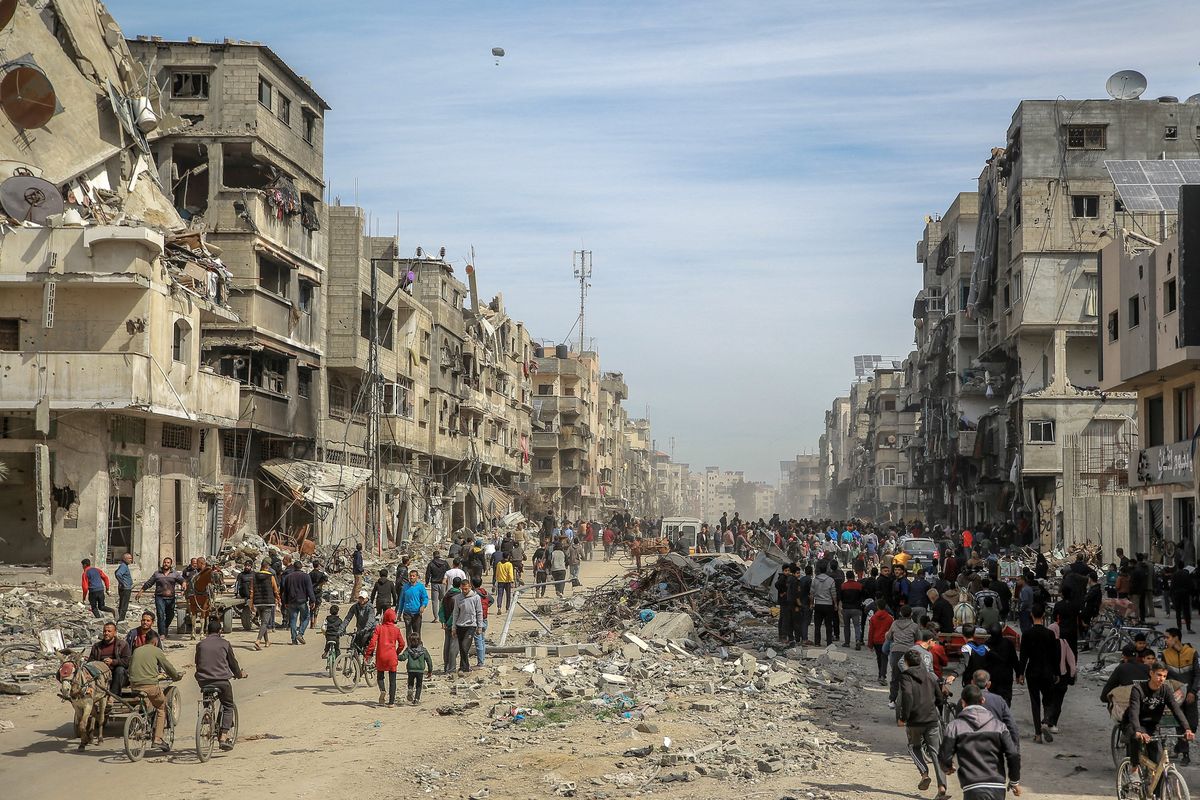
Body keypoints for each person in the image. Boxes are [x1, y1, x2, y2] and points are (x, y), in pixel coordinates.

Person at [939, 683, 1022, 800]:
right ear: (982, 700)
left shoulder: (954, 727)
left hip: (972, 787)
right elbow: (1013, 754)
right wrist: (1014, 781)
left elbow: (945, 754)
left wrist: (947, 767)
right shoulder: (999, 726)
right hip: (997, 787)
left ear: (963, 703)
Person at [1123, 661, 1196, 782]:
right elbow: (1134, 712)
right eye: (1158, 675)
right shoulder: (1138, 689)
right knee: (1136, 738)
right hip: (1134, 723)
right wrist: (1138, 731)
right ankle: (1134, 768)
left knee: (1158, 764)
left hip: (1152, 725)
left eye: (1164, 676)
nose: (1161, 679)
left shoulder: (1165, 690)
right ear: (1151, 673)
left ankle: (1156, 793)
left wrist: (1187, 729)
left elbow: (1176, 709)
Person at [897, 648, 948, 799]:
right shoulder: (931, 676)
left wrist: (904, 717)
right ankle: (942, 787)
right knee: (936, 752)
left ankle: (924, 774)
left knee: (913, 747)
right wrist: (935, 711)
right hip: (932, 719)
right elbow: (939, 699)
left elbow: (907, 695)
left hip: (914, 720)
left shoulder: (906, 676)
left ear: (906, 663)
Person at [194, 617, 245, 748]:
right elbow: (233, 663)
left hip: (204, 681)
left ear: (207, 631)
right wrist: (239, 674)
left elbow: (197, 662)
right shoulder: (225, 643)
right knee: (228, 705)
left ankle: (207, 712)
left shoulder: (200, 644)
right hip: (221, 680)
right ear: (220, 631)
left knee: (207, 693)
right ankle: (223, 736)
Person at [127, 629, 182, 749]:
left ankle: (144, 722)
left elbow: (130, 667)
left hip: (134, 685)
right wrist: (176, 676)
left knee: (148, 702)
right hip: (150, 686)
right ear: (155, 641)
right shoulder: (156, 650)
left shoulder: (136, 650)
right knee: (161, 707)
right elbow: (167, 667)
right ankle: (157, 739)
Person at [1017, 603, 1059, 743]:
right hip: (1047, 671)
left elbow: (1023, 656)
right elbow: (1055, 655)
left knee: (1035, 702)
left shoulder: (1027, 634)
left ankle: (1037, 734)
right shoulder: (1050, 634)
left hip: (1032, 672)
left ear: (1031, 615)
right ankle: (1046, 721)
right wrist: (1057, 672)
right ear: (1044, 616)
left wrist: (1020, 673)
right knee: (1048, 699)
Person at [1162, 627, 1198, 764]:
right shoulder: (1165, 654)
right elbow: (1165, 675)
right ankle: (1185, 754)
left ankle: (1178, 746)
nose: (1165, 640)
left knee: (1193, 724)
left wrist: (1193, 692)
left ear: (1176, 638)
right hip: (1175, 695)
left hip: (1190, 695)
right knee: (1181, 725)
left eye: (1167, 637)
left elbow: (1197, 675)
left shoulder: (1192, 653)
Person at [365, 607, 405, 706]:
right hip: (392, 656)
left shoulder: (379, 628)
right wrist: (396, 653)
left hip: (381, 656)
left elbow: (372, 642)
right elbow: (402, 644)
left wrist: (368, 654)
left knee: (380, 677)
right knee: (392, 680)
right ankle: (391, 702)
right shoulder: (396, 630)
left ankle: (382, 690)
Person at [137, 557, 184, 638]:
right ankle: (161, 633)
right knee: (160, 615)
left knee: (170, 615)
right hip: (160, 597)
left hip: (171, 598)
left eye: (168, 562)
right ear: (163, 563)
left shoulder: (175, 574)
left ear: (170, 564)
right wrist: (141, 591)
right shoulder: (157, 573)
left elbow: (182, 580)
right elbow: (149, 583)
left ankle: (164, 627)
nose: (166, 564)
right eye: (165, 562)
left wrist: (184, 583)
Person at [971, 670, 1020, 747]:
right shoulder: (998, 700)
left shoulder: (964, 701)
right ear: (989, 684)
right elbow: (1011, 725)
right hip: (994, 745)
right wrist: (1015, 749)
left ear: (972, 683)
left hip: (972, 746)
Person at [887, 605, 921, 707]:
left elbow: (889, 636)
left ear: (900, 613)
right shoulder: (914, 626)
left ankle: (892, 700)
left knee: (895, 676)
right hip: (909, 653)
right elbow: (918, 639)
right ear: (911, 614)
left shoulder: (894, 623)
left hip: (896, 652)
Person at [88, 621, 131, 694]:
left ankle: (113, 695)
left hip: (119, 676)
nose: (106, 633)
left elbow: (127, 661)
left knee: (119, 670)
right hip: (101, 674)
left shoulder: (123, 645)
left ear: (115, 633)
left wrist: (113, 662)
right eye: (104, 631)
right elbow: (90, 662)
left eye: (109, 631)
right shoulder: (96, 646)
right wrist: (100, 664)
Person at [453, 579, 484, 674]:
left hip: (471, 625)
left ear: (470, 587)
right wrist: (453, 627)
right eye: (463, 589)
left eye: (466, 589)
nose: (464, 591)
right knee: (462, 648)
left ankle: (464, 667)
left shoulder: (476, 597)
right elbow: (455, 612)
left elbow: (479, 612)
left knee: (464, 646)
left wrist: (480, 626)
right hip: (460, 625)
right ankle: (464, 667)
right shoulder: (458, 598)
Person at [249, 558, 281, 651]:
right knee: (265, 622)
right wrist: (278, 599)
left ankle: (267, 641)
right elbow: (275, 590)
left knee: (263, 621)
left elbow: (251, 591)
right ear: (267, 566)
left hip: (258, 603)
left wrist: (251, 604)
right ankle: (258, 641)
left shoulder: (254, 576)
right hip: (268, 602)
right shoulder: (270, 576)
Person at [281, 559, 316, 645]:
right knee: (306, 617)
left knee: (293, 620)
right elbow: (309, 589)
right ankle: (300, 633)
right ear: (301, 567)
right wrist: (312, 600)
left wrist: (285, 601)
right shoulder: (306, 576)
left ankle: (293, 639)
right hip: (302, 601)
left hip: (291, 602)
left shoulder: (288, 577)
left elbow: (285, 591)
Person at [439, 577, 463, 674]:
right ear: (460, 585)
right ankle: (451, 668)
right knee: (454, 646)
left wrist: (443, 621)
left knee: (447, 645)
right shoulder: (459, 597)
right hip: (455, 624)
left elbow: (441, 610)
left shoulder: (446, 595)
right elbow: (455, 613)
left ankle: (446, 666)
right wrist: (449, 623)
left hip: (446, 624)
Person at [402, 633, 434, 705]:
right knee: (419, 685)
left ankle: (410, 690)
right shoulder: (423, 650)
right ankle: (416, 699)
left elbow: (403, 657)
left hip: (411, 670)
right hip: (420, 671)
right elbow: (429, 661)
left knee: (410, 683)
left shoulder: (408, 650)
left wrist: (395, 656)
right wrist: (430, 671)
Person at [811, 564, 838, 647]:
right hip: (828, 605)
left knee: (817, 625)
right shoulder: (831, 580)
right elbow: (833, 594)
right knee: (828, 625)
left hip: (818, 604)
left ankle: (817, 642)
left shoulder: (815, 580)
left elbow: (811, 593)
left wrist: (811, 603)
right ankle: (829, 642)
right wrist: (835, 604)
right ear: (826, 570)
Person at [867, 603, 894, 686]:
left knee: (879, 658)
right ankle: (882, 675)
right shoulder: (890, 618)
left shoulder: (873, 618)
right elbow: (892, 631)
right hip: (885, 640)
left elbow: (871, 632)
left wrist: (870, 644)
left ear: (877, 607)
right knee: (884, 658)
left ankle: (880, 675)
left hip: (876, 641)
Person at [399, 569, 429, 641]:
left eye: (413, 576)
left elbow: (425, 598)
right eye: (410, 576)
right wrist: (399, 613)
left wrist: (423, 606)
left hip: (417, 613)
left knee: (417, 633)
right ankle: (409, 649)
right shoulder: (405, 587)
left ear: (417, 577)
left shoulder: (420, 587)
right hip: (407, 613)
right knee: (408, 633)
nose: (411, 577)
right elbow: (401, 600)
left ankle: (417, 648)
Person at [839, 569, 865, 649]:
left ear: (846, 577)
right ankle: (858, 640)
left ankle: (847, 642)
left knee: (846, 626)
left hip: (846, 608)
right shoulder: (859, 585)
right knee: (857, 626)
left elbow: (840, 597)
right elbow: (862, 596)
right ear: (854, 576)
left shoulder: (843, 586)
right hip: (856, 608)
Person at [425, 551, 450, 622]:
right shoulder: (445, 563)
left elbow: (428, 574)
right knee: (442, 600)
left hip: (434, 584)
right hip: (443, 583)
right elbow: (448, 572)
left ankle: (436, 618)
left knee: (434, 601)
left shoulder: (431, 564)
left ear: (433, 556)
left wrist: (426, 582)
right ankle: (442, 617)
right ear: (439, 555)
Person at [115, 553, 134, 621]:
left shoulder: (124, 566)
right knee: (124, 605)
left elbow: (116, 572)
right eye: (129, 558)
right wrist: (123, 583)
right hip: (125, 589)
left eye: (131, 558)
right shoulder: (123, 566)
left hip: (125, 588)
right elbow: (118, 574)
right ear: (124, 559)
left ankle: (120, 618)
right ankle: (121, 620)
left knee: (122, 604)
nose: (131, 560)